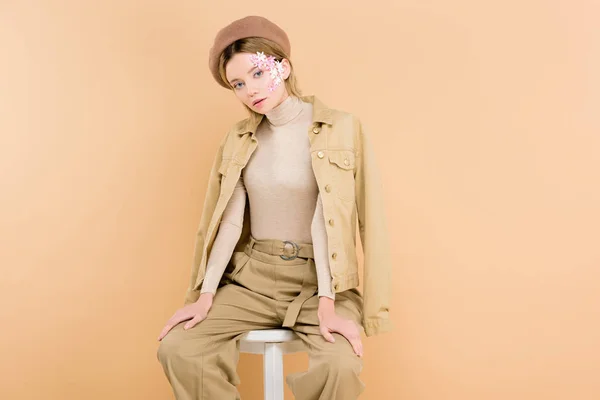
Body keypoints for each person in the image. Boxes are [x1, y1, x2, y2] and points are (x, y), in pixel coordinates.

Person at [156, 15, 392, 400]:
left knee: (339, 365)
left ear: (282, 66)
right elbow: (228, 222)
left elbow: (344, 223)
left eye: (257, 73)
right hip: (253, 279)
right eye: (238, 84)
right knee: (179, 348)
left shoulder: (342, 129)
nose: (250, 90)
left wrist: (332, 302)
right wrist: (204, 295)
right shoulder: (239, 138)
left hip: (321, 281)